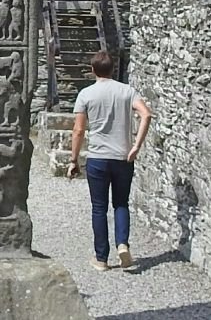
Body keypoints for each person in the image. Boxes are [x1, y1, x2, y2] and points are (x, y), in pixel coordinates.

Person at [67, 50, 152, 271]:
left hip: (97, 158)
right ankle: (122, 244)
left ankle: (102, 258)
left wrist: (73, 159)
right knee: (121, 203)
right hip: (123, 157)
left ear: (92, 70)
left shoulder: (86, 94)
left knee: (99, 208)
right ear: (113, 69)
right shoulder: (127, 91)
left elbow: (78, 130)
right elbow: (146, 114)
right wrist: (136, 145)